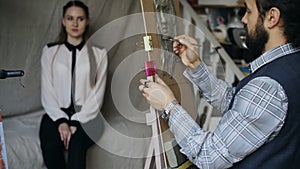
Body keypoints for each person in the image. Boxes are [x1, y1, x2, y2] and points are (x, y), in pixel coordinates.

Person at [139, 0, 300, 168]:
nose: (244, 19)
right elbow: (236, 104)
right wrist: (196, 66)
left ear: (272, 17)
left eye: (249, 11)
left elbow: (209, 157)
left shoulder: (267, 87)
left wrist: (169, 106)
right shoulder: (291, 65)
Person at [39, 1, 107, 169]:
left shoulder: (99, 54)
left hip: (89, 116)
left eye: (80, 19)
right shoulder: (50, 51)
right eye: (70, 18)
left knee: (77, 145)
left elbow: (97, 96)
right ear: (63, 21)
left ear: (87, 21)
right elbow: (47, 91)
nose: (75, 24)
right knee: (51, 144)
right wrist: (62, 121)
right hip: (56, 113)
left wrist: (76, 122)